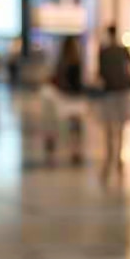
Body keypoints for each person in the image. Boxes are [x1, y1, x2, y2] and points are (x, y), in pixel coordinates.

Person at [99, 25, 130, 183]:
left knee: (109, 125)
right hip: (121, 90)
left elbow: (101, 71)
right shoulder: (121, 50)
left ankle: (111, 154)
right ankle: (118, 156)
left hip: (110, 91)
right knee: (120, 125)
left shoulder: (104, 51)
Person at [50, 36, 84, 164]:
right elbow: (79, 83)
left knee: (64, 125)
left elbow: (56, 80)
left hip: (64, 97)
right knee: (75, 128)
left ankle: (59, 146)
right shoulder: (77, 62)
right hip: (75, 98)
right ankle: (75, 151)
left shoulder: (61, 63)